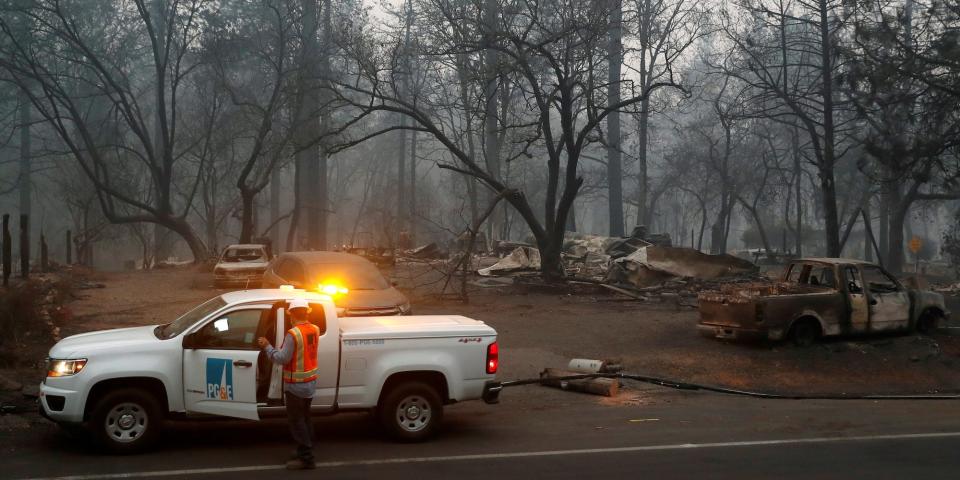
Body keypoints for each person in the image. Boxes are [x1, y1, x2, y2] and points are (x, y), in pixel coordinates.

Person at [257, 298, 320, 470]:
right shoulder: (315, 329)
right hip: (310, 384)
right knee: (305, 418)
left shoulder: (293, 334)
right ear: (307, 312)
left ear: (291, 314)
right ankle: (305, 448)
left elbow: (281, 358)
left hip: (296, 386)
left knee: (297, 422)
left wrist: (268, 346)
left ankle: (307, 458)